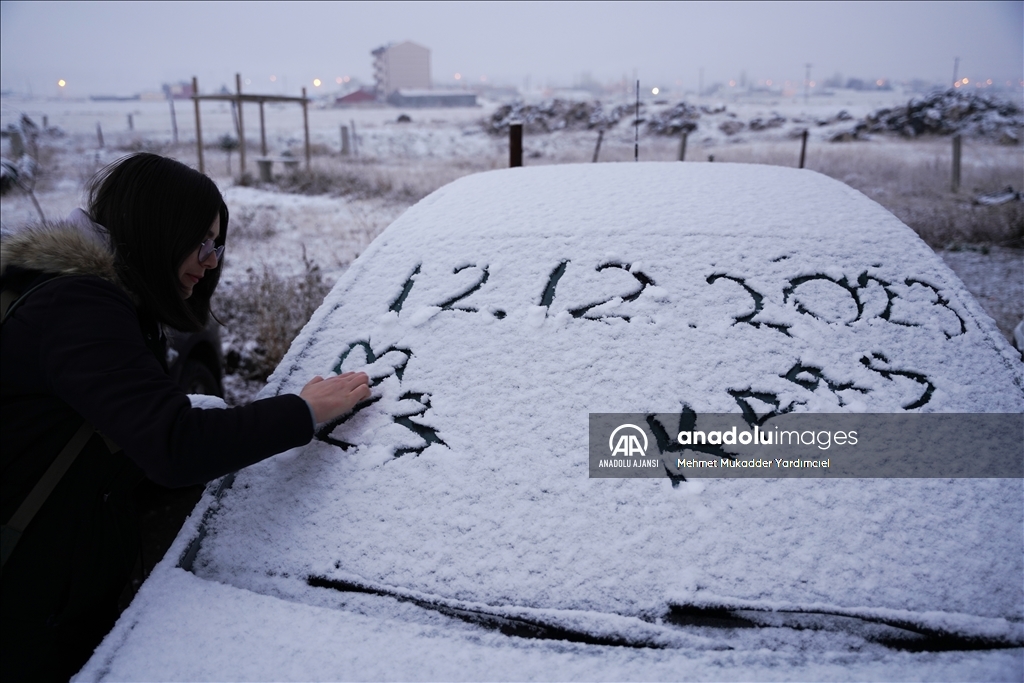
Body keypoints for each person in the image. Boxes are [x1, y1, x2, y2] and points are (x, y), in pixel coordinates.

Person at [0, 153, 369, 680]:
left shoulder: (77, 296)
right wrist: (302, 413)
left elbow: (129, 436)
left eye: (218, 244)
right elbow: (174, 446)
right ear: (156, 228)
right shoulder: (78, 306)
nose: (213, 260)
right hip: (22, 610)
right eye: (202, 241)